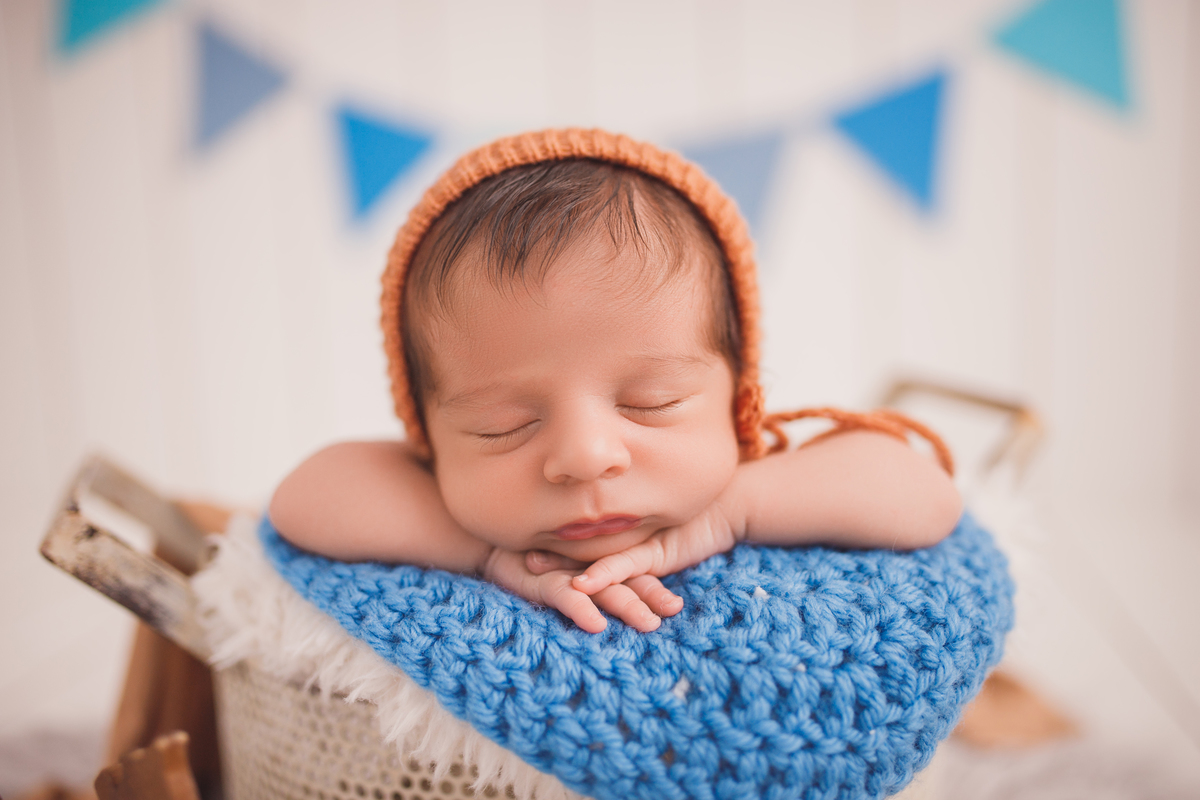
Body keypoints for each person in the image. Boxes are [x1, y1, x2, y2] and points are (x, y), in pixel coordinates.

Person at [268, 129, 962, 635]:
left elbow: (925, 496)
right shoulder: (453, 518)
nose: (585, 457)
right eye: (501, 425)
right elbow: (304, 498)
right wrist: (486, 555)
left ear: (741, 409)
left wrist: (730, 513)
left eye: (649, 403)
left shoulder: (754, 489)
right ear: (427, 440)